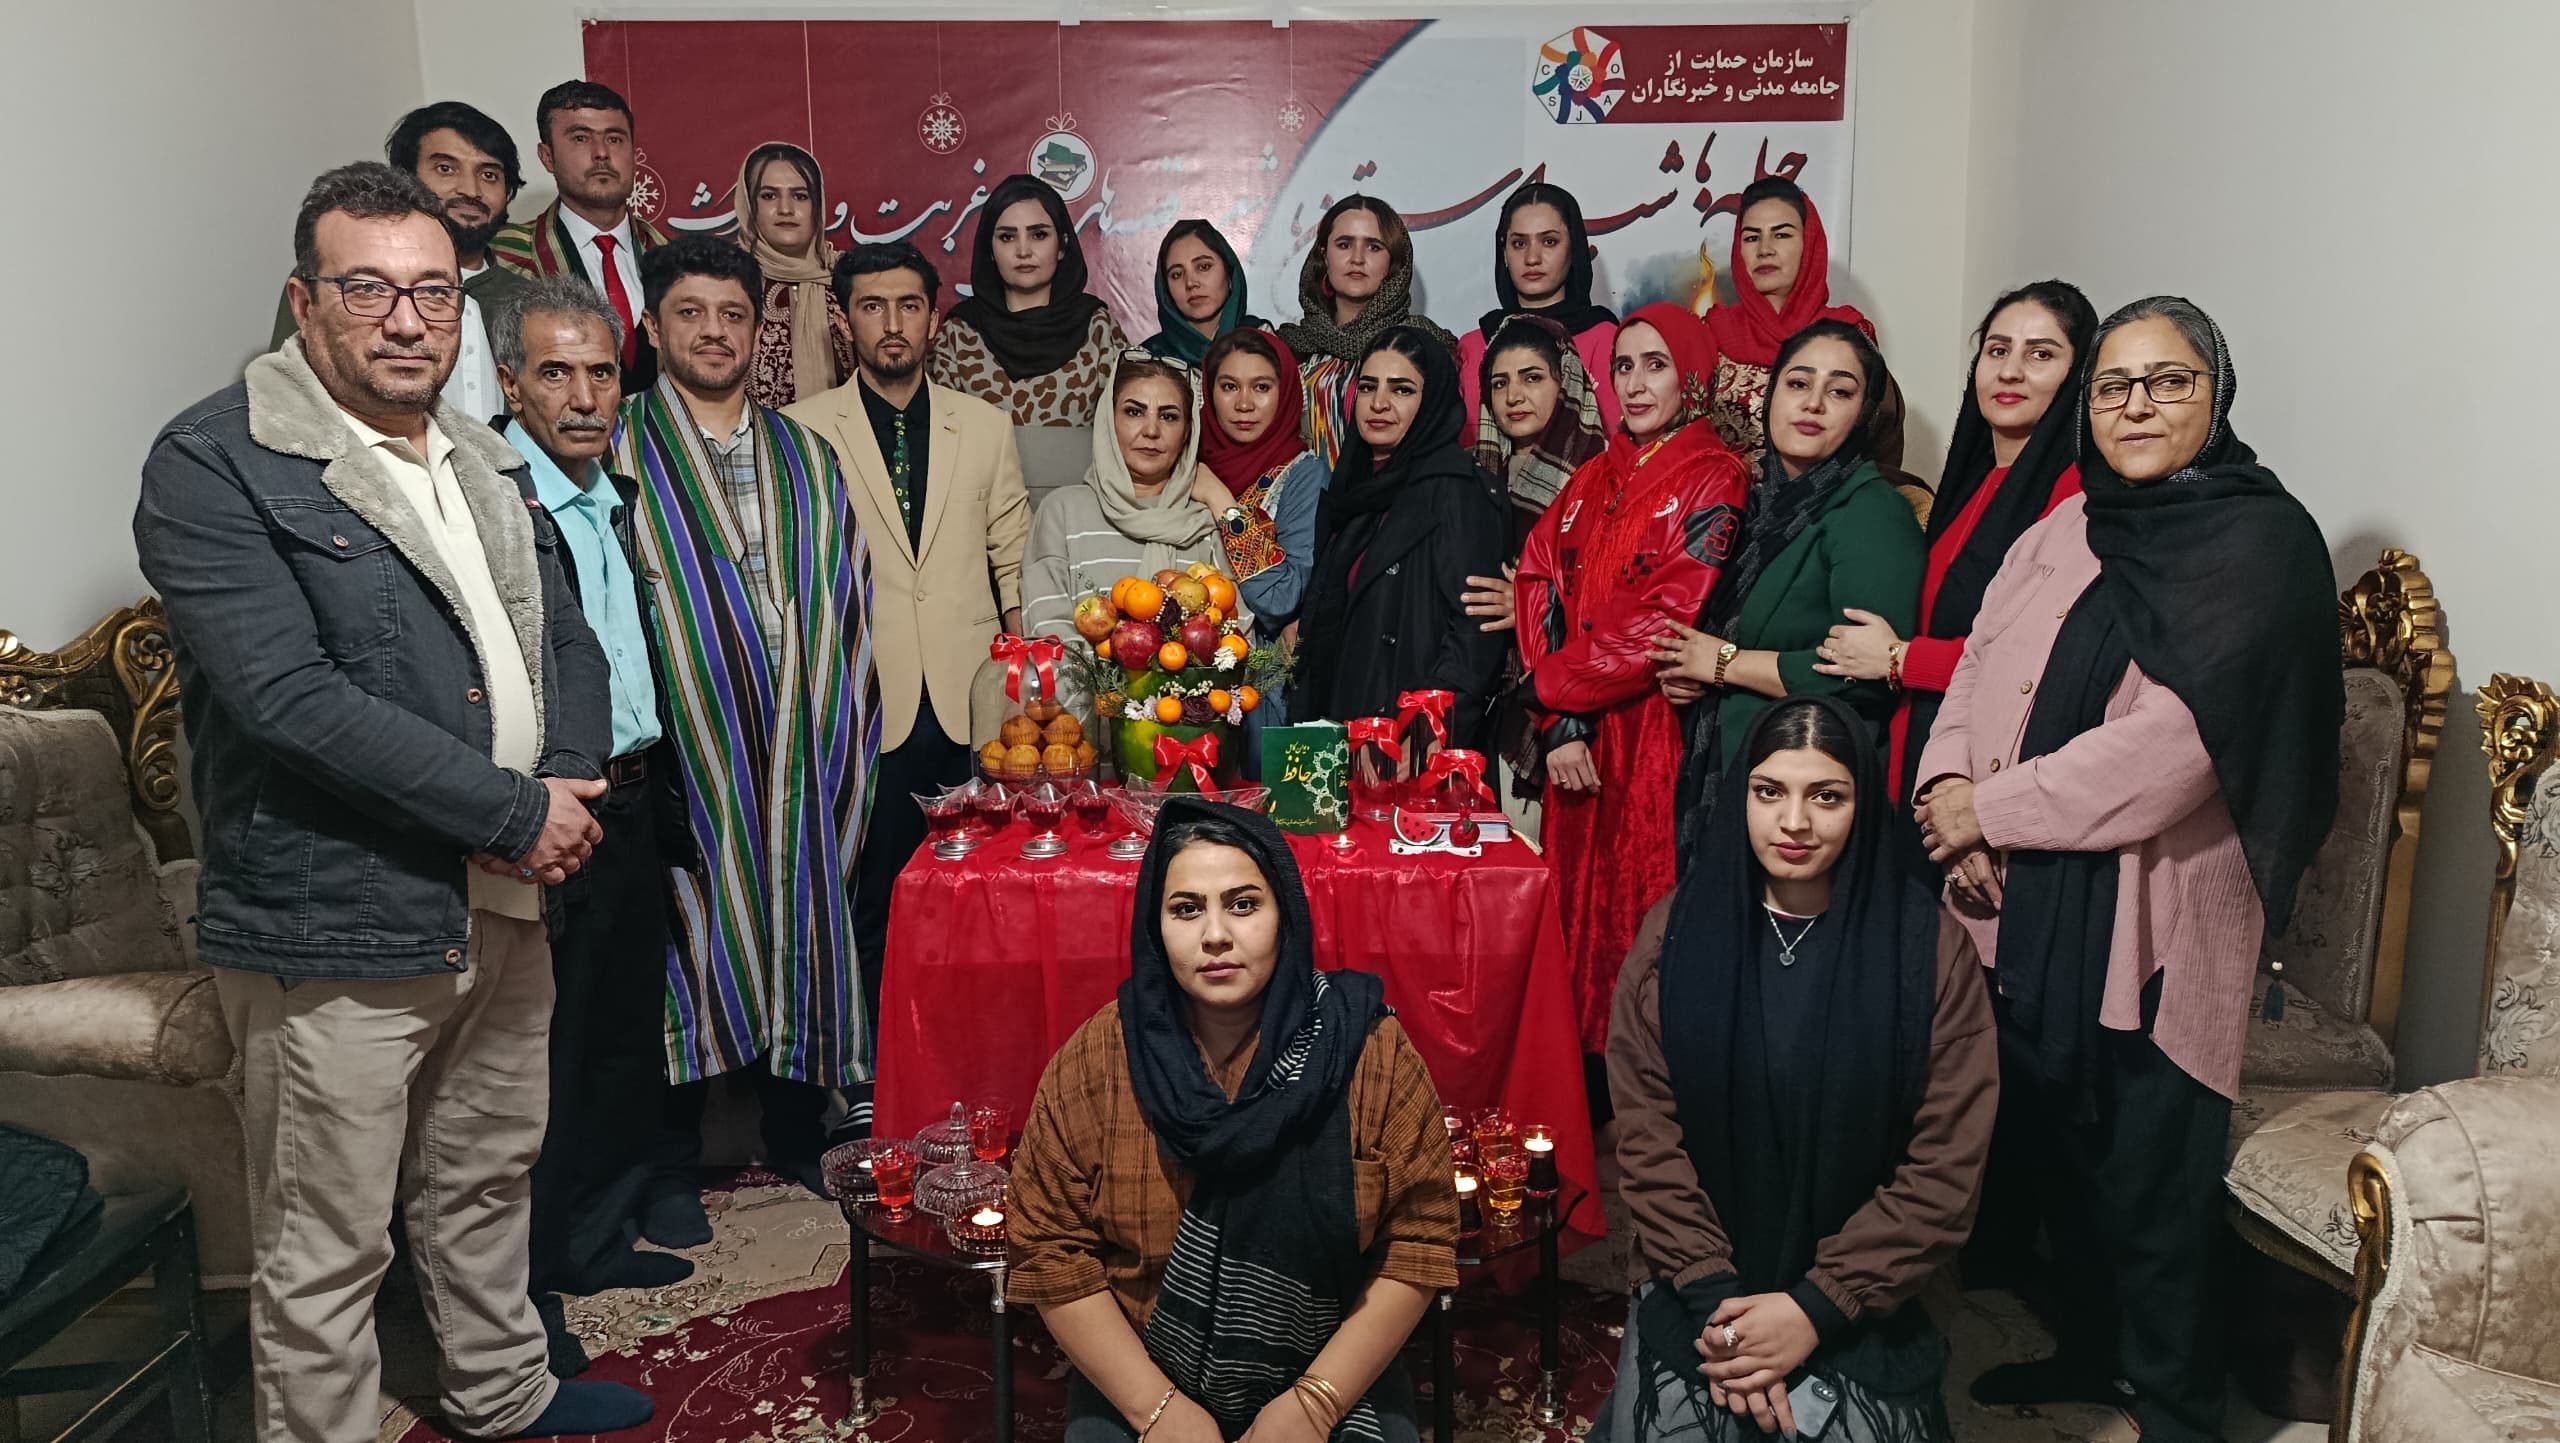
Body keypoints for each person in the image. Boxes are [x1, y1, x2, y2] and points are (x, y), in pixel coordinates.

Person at [134, 162, 648, 1441]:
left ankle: (501, 1391)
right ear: (304, 301)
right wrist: (514, 813)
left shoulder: (480, 453)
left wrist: (562, 781)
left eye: (433, 292)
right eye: (368, 289)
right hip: (338, 916)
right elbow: (289, 700)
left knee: (485, 1172)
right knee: (327, 1241)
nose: (408, 320)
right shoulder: (217, 461)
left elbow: (566, 637)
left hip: (504, 897)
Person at [1911, 297, 2343, 1443]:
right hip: (2022, 894)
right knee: (2065, 1155)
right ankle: (2094, 1353)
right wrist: (1947, 794)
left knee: (2152, 1179)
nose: (2136, 405)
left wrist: (1988, 811)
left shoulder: (2257, 543)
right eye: (2112, 385)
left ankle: (2176, 1408)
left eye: (2168, 380)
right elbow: (1977, 671)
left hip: (2156, 917)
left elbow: (2173, 751)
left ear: (2216, 394)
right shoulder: (2067, 524)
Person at [1602, 696, 1995, 1442]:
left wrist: (1815, 1308)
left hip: (1869, 1289)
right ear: (1741, 795)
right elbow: (1648, 1139)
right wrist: (1721, 1309)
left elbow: (1947, 1166)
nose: (1794, 822)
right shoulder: (1675, 937)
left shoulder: (1928, 952)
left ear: (1862, 805)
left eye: (1827, 796)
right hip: (1701, 1277)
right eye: (1769, 791)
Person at [1007, 798, 1460, 1442]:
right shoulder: (1099, 1061)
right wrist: (1158, 1411)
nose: (1215, 935)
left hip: (1331, 1360)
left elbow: (1419, 1242)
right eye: (1186, 909)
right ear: (1154, 926)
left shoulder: (1364, 1052)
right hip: (1142, 1366)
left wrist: (1314, 1406)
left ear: (1285, 915)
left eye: (1244, 905)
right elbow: (1049, 1249)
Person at [612, 234, 880, 1227]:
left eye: (732, 314)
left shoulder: (806, 454)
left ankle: (795, 1131)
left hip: (802, 742)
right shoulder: (618, 446)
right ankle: (667, 1166)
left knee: (799, 918)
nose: (714, 332)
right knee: (682, 942)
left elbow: (846, 594)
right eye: (691, 313)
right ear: (652, 327)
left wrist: (836, 713)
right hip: (681, 748)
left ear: (757, 327)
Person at [491, 277, 701, 1370]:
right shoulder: (495, 501)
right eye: (554, 373)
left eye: (600, 374)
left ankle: (593, 1238)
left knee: (621, 1030)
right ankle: (520, 1296)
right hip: (547, 805)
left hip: (630, 794)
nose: (583, 397)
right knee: (541, 1056)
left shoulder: (608, 494)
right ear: (509, 384)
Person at [785, 240, 1031, 1064]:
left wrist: (1025, 685)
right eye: (872, 306)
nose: (892, 323)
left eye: (909, 306)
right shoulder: (803, 430)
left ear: (933, 320)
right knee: (872, 896)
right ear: (844, 320)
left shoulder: (984, 426)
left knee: (980, 893)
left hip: (974, 703)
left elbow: (1011, 557)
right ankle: (874, 1068)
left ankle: (973, 1059)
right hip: (862, 700)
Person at [1515, 304, 1748, 1058]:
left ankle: (1639, 1088)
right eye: (1623, 366)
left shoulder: (1715, 476)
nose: (1637, 384)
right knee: (1570, 915)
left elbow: (1664, 620)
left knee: (1639, 913)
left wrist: (1548, 689)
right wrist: (1557, 722)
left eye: (1656, 364)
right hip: (1574, 732)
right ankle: (1576, 1091)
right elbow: (1536, 578)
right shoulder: (1593, 474)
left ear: (1693, 375)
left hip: (1652, 730)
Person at [1813, 281, 2099, 804]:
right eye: (1997, 350)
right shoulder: (1971, 485)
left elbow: (2040, 665)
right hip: (1917, 754)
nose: (2010, 371)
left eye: (2041, 354)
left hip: (1987, 776)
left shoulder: (2076, 495)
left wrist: (1900, 658)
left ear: (2078, 374)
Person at [1653, 320, 1926, 866]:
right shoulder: (1750, 501)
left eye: (1840, 391)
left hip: (1813, 798)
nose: (1813, 404)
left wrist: (1723, 664)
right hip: (1730, 769)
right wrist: (1686, 670)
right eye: (1798, 383)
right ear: (1770, 395)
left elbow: (1863, 677)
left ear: (1864, 413)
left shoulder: (1873, 513)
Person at [1295, 328, 1509, 751]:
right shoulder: (1351, 488)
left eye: (1402, 390)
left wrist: (1428, 730)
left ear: (1432, 401)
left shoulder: (1458, 489)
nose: (1379, 404)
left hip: (1411, 740)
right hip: (1341, 726)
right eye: (1368, 387)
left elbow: (1475, 632)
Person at [269, 100, 534, 423]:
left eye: (489, 174)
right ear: (406, 178)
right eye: (446, 169)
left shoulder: (526, 297)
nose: (471, 190)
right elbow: (289, 399)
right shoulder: (334, 280)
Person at [1023, 353, 1241, 644]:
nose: (1151, 431)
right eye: (1134, 412)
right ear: (1107, 420)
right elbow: (1047, 629)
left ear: (1187, 432)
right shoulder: (1062, 512)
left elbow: (1237, 630)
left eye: (1169, 417)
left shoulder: (1204, 523)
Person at [491, 80, 669, 392]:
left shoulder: (670, 256)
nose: (601, 153)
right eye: (580, 138)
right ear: (547, 157)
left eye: (614, 139)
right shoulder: (505, 257)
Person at [1188, 328, 1326, 720]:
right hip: (1177, 675)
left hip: (1259, 687)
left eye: (1261, 387)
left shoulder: (1304, 475)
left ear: (1286, 394)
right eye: (1229, 387)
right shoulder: (1184, 463)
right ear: (1209, 393)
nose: (1244, 404)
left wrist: (1221, 501)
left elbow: (1283, 597)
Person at [929, 173, 1132, 427]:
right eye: (1007, 237)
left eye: (1038, 235)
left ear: (1062, 246)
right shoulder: (959, 334)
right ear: (989, 250)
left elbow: (1128, 426)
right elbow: (939, 433)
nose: (1023, 251)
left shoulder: (1098, 329)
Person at [1701, 178, 1877, 468]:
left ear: (1809, 244)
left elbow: (1874, 439)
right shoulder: (1711, 332)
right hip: (1720, 495)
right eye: (1751, 238)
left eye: (1781, 235)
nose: (1764, 249)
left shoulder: (1848, 334)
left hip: (1824, 493)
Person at [1279, 195, 1458, 469]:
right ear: (1324, 256)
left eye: (1373, 247)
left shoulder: (1424, 346)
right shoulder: (1289, 349)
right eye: (1344, 244)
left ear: (1394, 261)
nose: (1357, 259)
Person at [1456, 180, 1622, 434]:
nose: (1532, 258)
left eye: (1549, 241)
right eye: (1519, 244)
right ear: (1504, 253)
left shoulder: (1606, 339)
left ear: (1574, 248)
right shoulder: (1474, 346)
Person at [1472, 312, 1611, 549]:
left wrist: (1531, 577)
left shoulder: (1607, 473)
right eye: (1500, 384)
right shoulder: (1467, 474)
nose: (1513, 397)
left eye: (1532, 378)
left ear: (1566, 383)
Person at [733, 141, 854, 410]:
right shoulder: (727, 281)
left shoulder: (849, 279)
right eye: (769, 196)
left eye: (800, 196)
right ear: (749, 204)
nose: (785, 209)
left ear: (817, 205)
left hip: (841, 435)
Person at [1141, 218, 1266, 365]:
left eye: (1204, 267)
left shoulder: (1266, 344)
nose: (1190, 283)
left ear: (1229, 273)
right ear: (1165, 289)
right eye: (1177, 274)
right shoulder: (1145, 360)